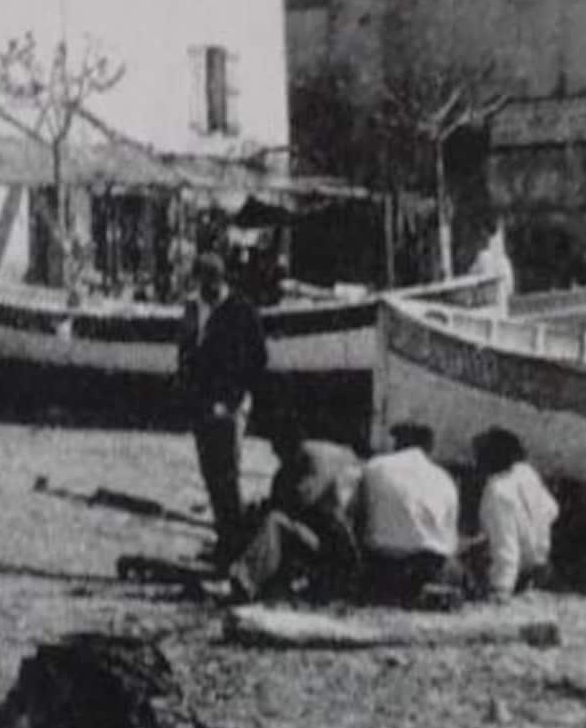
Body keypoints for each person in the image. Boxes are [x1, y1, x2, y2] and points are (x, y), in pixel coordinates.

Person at [177, 251, 267, 560]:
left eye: (210, 283)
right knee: (210, 474)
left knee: (227, 474)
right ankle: (224, 539)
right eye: (202, 283)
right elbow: (186, 353)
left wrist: (236, 398)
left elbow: (257, 358)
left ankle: (234, 545)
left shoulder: (241, 311)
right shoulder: (193, 309)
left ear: (219, 280)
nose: (206, 290)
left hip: (229, 406)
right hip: (201, 405)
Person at [226, 421, 361, 603]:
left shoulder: (308, 459)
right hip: (347, 546)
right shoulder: (337, 455)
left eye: (276, 447)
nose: (275, 454)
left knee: (274, 522)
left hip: (334, 551)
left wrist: (267, 507)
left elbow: (304, 501)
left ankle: (245, 581)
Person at [351, 422, 461, 604]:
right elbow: (450, 539)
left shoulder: (374, 466)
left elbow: (356, 513)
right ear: (429, 447)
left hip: (384, 564)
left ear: (397, 443)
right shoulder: (444, 478)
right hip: (431, 565)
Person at [471, 427, 559, 600]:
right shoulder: (526, 473)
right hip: (541, 564)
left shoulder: (497, 491)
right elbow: (552, 509)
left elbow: (506, 543)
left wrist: (501, 587)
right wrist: (533, 529)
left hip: (518, 571)